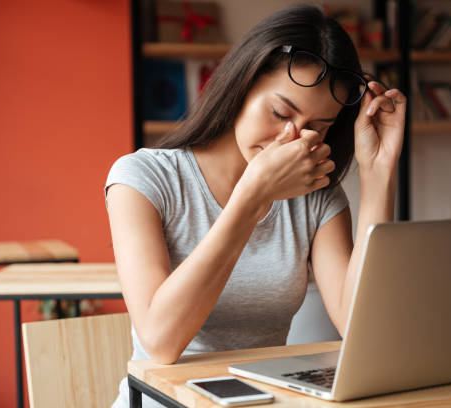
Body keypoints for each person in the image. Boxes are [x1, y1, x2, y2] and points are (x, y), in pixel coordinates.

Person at [105, 4, 406, 407]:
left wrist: (378, 173)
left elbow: (365, 334)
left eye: (317, 126)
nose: (293, 138)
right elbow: (160, 342)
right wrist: (254, 195)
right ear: (241, 87)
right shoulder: (143, 178)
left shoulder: (317, 198)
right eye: (281, 112)